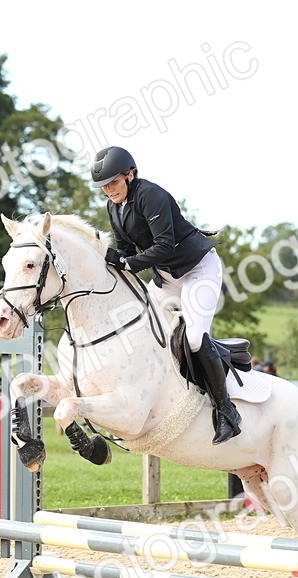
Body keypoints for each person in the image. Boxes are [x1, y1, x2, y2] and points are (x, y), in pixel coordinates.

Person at [90, 145, 241, 444]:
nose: (109, 190)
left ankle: (227, 412)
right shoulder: (114, 207)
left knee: (196, 338)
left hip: (199, 270)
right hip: (167, 278)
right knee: (139, 328)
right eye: (104, 186)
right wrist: (105, 257)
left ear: (130, 175)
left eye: (113, 182)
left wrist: (128, 263)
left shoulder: (151, 195)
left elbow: (165, 245)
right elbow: (126, 251)